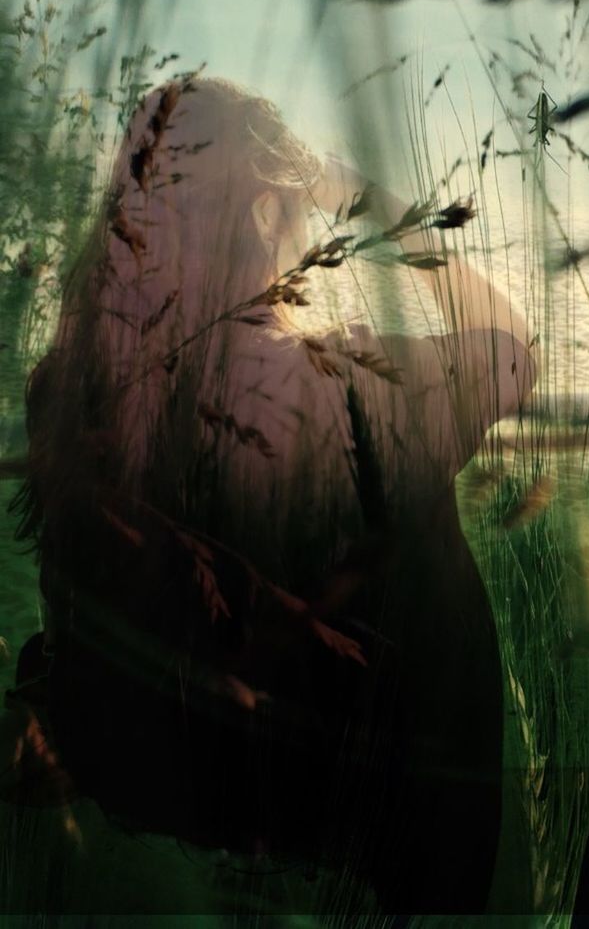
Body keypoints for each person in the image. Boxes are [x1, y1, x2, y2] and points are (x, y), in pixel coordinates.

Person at [9, 75, 537, 913]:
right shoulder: (338, 390)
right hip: (341, 842)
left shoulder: (68, 390)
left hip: (160, 825)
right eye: (292, 208)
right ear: (262, 216)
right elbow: (511, 349)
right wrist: (369, 202)